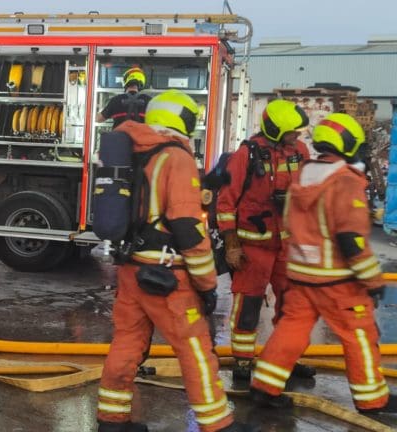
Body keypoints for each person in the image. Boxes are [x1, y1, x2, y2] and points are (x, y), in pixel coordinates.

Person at [96, 89, 256, 432]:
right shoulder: (177, 158)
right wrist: (207, 283)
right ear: (185, 121)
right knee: (195, 348)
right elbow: (187, 227)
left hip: (131, 268)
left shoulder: (137, 152)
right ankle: (218, 425)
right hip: (168, 275)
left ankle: (112, 421)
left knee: (126, 343)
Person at [250, 113, 397, 413]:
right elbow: (351, 240)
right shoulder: (345, 180)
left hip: (302, 274)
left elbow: (290, 220)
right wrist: (372, 280)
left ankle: (265, 388)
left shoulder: (303, 173)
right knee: (359, 334)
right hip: (338, 280)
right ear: (349, 144)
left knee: (291, 329)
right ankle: (372, 401)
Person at [215, 99, 316, 383]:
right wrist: (232, 245)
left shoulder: (300, 152)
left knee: (293, 307)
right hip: (252, 248)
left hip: (289, 247)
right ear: (274, 129)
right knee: (248, 307)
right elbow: (225, 202)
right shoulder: (246, 155)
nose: (297, 136)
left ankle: (285, 360)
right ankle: (243, 363)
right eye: (291, 132)